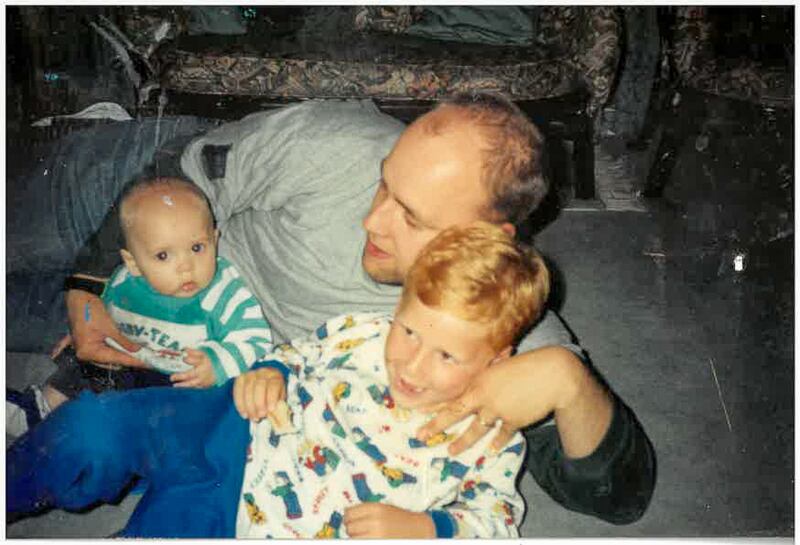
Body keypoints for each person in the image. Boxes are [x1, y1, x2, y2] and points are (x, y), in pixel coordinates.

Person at [9, 93, 654, 526]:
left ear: (489, 242)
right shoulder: (327, 139)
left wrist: (568, 383)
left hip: (204, 357)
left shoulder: (498, 317)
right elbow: (177, 173)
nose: (371, 218)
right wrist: (87, 287)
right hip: (172, 222)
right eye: (385, 182)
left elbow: (621, 496)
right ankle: (92, 119)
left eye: (411, 216)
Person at [7, 222, 550, 538]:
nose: (411, 364)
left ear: (498, 360)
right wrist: (271, 370)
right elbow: (299, 349)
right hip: (226, 424)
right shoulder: (364, 332)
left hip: (241, 517)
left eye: (447, 357)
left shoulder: (493, 435)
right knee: (89, 429)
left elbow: (497, 519)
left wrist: (431, 529)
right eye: (408, 330)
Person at [7, 177, 273, 437]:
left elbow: (256, 339)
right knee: (85, 367)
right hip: (129, 359)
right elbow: (101, 315)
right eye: (163, 255)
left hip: (180, 381)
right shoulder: (124, 282)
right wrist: (81, 329)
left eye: (196, 247)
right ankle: (41, 407)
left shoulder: (224, 291)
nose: (185, 266)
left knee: (175, 418)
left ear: (215, 240)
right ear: (133, 263)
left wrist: (218, 363)